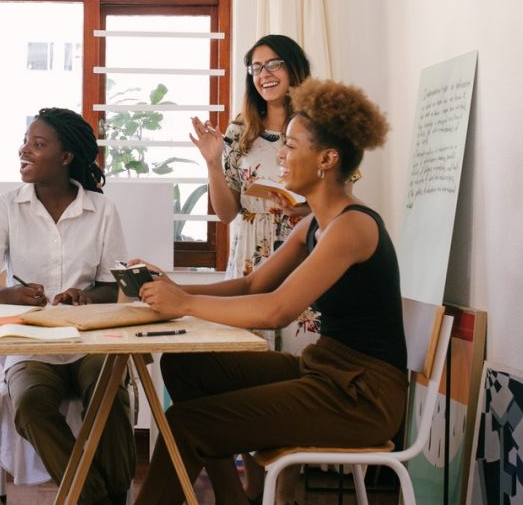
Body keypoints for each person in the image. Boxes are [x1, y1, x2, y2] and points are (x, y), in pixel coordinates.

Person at [133, 79, 406, 505]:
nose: (280, 154)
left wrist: (185, 305)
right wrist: (168, 286)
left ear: (327, 159)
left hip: (361, 398)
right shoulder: (313, 224)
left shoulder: (353, 226)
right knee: (187, 370)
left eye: (292, 146)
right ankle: (233, 497)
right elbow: (253, 285)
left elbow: (277, 310)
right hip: (325, 371)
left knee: (186, 423)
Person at [0, 107, 135, 505]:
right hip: (31, 344)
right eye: (26, 141)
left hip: (88, 339)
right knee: (28, 403)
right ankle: (95, 497)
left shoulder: (102, 210)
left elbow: (111, 287)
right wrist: (12, 295)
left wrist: (83, 297)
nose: (24, 150)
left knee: (110, 393)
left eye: (37, 144)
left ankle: (104, 496)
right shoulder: (5, 207)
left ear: (66, 158)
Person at [190, 34, 311, 282]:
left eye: (274, 64)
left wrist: (300, 208)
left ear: (294, 67)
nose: (263, 74)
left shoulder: (320, 126)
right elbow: (226, 214)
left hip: (303, 249)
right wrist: (213, 163)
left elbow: (341, 204)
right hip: (249, 256)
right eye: (256, 68)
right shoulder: (240, 130)